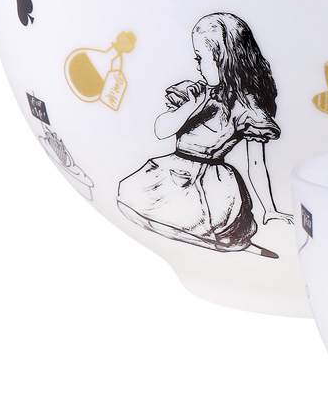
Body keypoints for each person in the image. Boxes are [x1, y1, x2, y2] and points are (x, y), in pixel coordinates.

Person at [117, 13, 291, 258]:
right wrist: (192, 104)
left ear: (223, 59)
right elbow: (161, 130)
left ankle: (234, 243)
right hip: (169, 170)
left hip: (209, 181)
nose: (197, 65)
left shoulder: (248, 109)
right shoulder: (195, 92)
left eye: (200, 58)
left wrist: (269, 209)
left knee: (199, 219)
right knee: (136, 198)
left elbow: (256, 163)